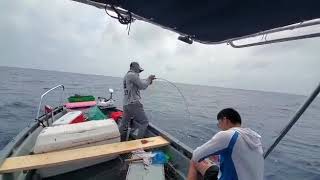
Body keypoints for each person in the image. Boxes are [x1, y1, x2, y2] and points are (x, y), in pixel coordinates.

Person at [188, 108, 264, 180]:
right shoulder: (255, 138)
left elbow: (196, 155)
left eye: (219, 123)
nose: (219, 127)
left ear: (225, 120)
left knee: (194, 162)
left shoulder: (227, 135)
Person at [119, 62, 156, 139]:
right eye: (138, 70)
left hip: (126, 104)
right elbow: (142, 86)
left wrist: (148, 81)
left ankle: (117, 139)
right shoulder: (132, 75)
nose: (139, 72)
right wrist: (149, 79)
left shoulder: (127, 76)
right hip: (134, 103)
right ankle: (137, 145)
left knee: (124, 124)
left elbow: (139, 84)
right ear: (134, 67)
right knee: (144, 122)